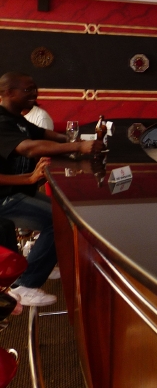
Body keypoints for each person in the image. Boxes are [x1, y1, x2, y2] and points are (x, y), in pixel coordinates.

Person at [0, 72, 103, 307]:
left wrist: (71, 140)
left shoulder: (15, 118)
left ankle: (44, 260)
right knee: (62, 219)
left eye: (34, 88)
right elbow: (29, 147)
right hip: (4, 198)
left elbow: (44, 135)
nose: (34, 93)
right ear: (9, 93)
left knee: (68, 211)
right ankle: (24, 285)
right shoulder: (1, 122)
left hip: (15, 191)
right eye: (28, 89)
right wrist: (78, 146)